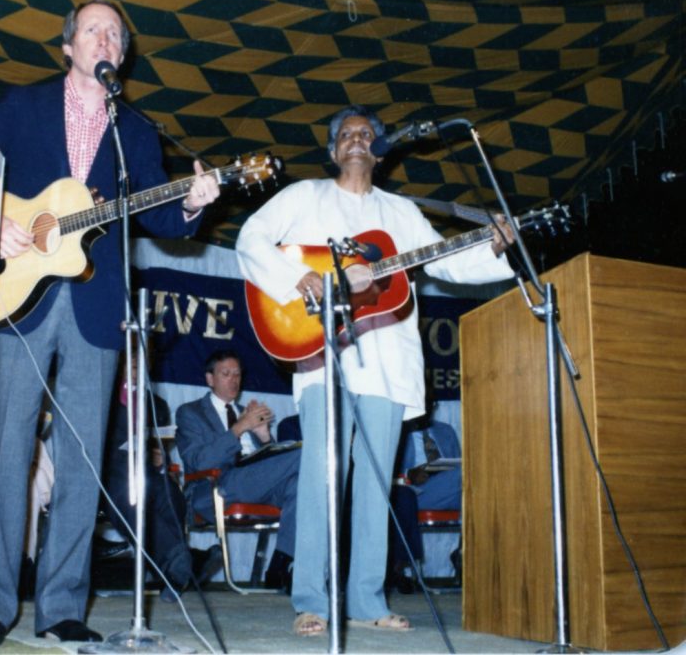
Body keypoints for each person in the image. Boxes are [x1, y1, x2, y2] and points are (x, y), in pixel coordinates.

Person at [0, 0, 220, 646]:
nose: (104, 37)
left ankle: (60, 606)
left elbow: (161, 218)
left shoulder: (135, 130)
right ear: (68, 46)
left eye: (115, 31)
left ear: (123, 53)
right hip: (17, 298)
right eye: (93, 28)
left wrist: (191, 204)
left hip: (96, 302)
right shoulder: (21, 107)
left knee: (82, 458)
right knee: (6, 449)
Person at [236, 104, 514, 636]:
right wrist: (298, 279)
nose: (357, 140)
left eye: (366, 134)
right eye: (346, 134)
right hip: (325, 360)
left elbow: (444, 261)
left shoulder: (402, 213)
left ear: (379, 149)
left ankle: (366, 598)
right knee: (323, 478)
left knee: (376, 485)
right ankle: (311, 598)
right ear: (333, 149)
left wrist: (492, 246)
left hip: (387, 363)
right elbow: (251, 238)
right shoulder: (304, 197)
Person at [174, 349, 300, 589]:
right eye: (226, 374)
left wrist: (264, 438)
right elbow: (198, 461)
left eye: (237, 374)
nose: (234, 380)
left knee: (299, 482)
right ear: (210, 379)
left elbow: (268, 463)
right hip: (214, 487)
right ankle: (283, 562)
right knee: (303, 456)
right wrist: (239, 428)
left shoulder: (246, 413)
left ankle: (283, 560)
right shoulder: (190, 413)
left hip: (251, 483)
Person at [101, 356, 193, 602]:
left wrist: (159, 456)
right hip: (108, 476)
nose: (136, 372)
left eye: (141, 367)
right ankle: (176, 561)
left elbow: (158, 445)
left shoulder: (157, 405)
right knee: (131, 492)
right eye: (131, 367)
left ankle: (171, 572)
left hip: (145, 472)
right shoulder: (103, 397)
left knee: (170, 493)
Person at [388, 416, 463, 592]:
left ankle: (463, 551)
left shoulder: (445, 430)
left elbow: (456, 461)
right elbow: (385, 469)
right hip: (413, 493)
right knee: (469, 471)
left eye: (429, 403)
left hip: (448, 491)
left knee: (479, 488)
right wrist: (408, 473)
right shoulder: (397, 430)